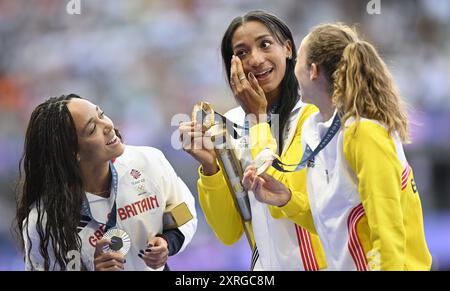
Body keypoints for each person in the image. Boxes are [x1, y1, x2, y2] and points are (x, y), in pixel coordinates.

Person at [242, 23, 432, 270]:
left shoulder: (364, 133)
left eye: (297, 59)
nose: (292, 68)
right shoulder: (322, 133)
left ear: (312, 71)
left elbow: (388, 229)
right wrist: (287, 200)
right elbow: (334, 223)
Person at [179, 10, 326, 271]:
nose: (256, 60)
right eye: (242, 53)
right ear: (232, 66)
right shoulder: (230, 126)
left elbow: (282, 192)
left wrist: (257, 118)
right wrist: (211, 168)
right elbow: (229, 232)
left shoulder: (314, 114)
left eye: (265, 44)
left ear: (288, 49)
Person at [16, 94, 197, 271]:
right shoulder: (45, 222)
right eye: (92, 128)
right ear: (73, 153)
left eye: (101, 114)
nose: (108, 125)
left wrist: (167, 242)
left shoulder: (148, 161)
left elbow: (184, 212)